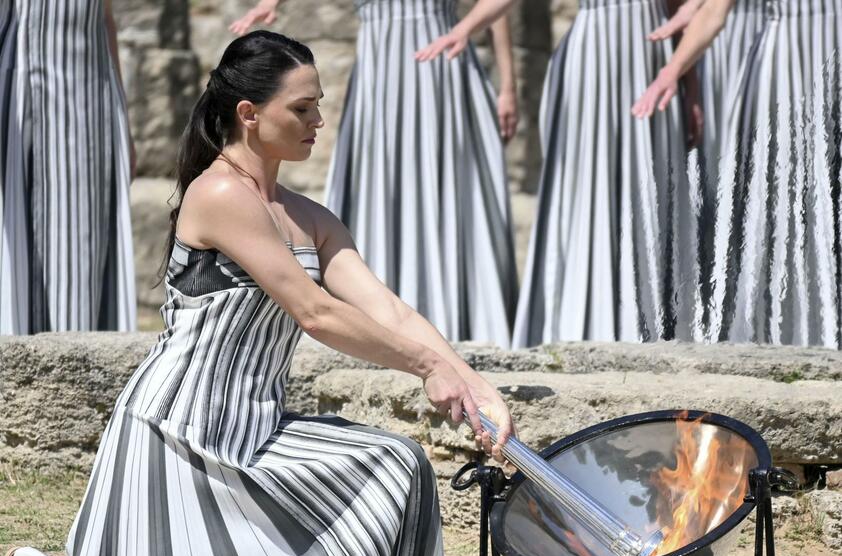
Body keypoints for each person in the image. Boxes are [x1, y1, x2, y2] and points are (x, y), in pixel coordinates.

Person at [3, 31, 514, 556]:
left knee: (396, 463)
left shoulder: (311, 217)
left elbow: (389, 310)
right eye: (301, 109)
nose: (318, 121)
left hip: (259, 428)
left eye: (319, 106)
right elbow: (317, 311)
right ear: (250, 114)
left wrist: (473, 384)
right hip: (179, 435)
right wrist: (426, 367)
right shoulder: (218, 196)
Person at [231, 0, 519, 348]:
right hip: (378, 67)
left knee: (443, 188)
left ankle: (453, 320)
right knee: (380, 191)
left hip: (439, 60)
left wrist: (505, 79)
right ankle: (378, 318)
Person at [420, 0, 705, 345]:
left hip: (652, 61)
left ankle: (656, 318)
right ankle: (581, 320)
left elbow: (678, 9)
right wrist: (465, 29)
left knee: (652, 189)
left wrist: (689, 81)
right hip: (591, 56)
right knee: (587, 194)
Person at [633, 0, 842, 347]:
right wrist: (670, 73)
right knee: (782, 207)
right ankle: (788, 330)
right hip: (786, 65)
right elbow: (715, 13)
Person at [0, 0, 136, 334]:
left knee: (78, 253)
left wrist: (122, 121)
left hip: (88, 103)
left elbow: (105, 20)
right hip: (15, 98)